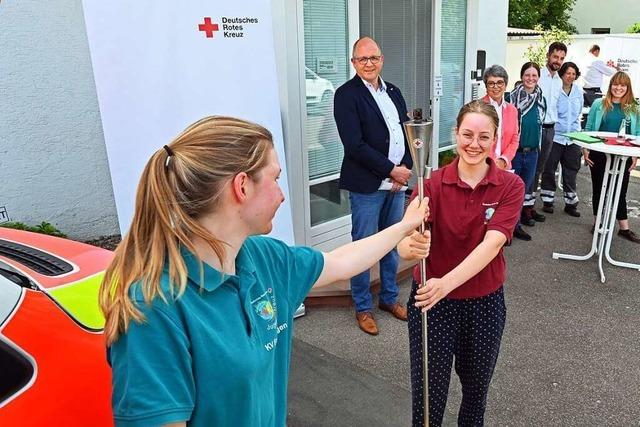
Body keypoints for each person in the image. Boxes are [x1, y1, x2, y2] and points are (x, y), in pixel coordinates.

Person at [99, 116, 429, 427]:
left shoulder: (261, 257)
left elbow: (342, 261)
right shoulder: (154, 308)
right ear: (242, 186)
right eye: (275, 178)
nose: (283, 194)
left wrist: (403, 227)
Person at [399, 100, 524, 427]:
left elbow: (492, 244)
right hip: (431, 304)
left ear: (496, 138)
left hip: (484, 304)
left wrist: (445, 284)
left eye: (484, 137)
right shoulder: (431, 185)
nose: (474, 144)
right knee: (428, 397)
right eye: (467, 134)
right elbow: (401, 241)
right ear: (456, 134)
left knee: (475, 395)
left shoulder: (511, 186)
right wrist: (412, 246)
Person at [334, 36, 414, 335]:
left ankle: (390, 299)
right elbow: (354, 145)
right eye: (362, 59)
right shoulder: (346, 95)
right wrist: (391, 171)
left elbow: (405, 132)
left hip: (395, 183)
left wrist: (403, 169)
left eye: (373, 58)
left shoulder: (393, 91)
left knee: (391, 243)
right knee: (364, 248)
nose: (369, 63)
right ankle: (363, 306)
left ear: (382, 59)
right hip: (368, 185)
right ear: (354, 63)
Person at [583, 71, 640, 243]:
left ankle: (624, 228)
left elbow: (637, 133)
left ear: (627, 87)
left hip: (622, 156)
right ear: (610, 85)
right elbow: (589, 128)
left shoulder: (634, 107)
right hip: (599, 154)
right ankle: (597, 222)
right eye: (616, 84)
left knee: (620, 191)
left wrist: (635, 157)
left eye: (623, 85)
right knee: (599, 189)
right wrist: (585, 150)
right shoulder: (598, 104)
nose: (618, 88)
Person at [540, 62, 584, 217]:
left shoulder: (578, 91)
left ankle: (571, 203)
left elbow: (578, 112)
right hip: (556, 136)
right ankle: (547, 200)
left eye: (573, 74)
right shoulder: (556, 89)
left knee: (571, 170)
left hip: (572, 138)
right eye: (567, 73)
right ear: (562, 74)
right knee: (549, 168)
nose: (570, 76)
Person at [510, 62, 547, 241]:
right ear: (521, 76)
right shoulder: (512, 98)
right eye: (527, 75)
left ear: (538, 78)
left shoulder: (541, 98)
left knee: (523, 191)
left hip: (532, 152)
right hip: (515, 152)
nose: (530, 79)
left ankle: (516, 225)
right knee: (511, 192)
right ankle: (509, 228)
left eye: (534, 75)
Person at [532, 42, 567, 221]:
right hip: (536, 128)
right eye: (555, 57)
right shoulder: (538, 76)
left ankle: (529, 206)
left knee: (540, 168)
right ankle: (523, 207)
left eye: (561, 58)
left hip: (550, 129)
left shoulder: (559, 80)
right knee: (530, 167)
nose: (558, 61)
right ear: (548, 56)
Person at [482, 65, 520, 170]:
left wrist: (504, 159)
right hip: (482, 165)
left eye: (500, 82)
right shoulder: (478, 108)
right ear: (486, 86)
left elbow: (515, 138)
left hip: (504, 166)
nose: (496, 86)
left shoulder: (512, 110)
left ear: (505, 85)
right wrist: (493, 161)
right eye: (491, 83)